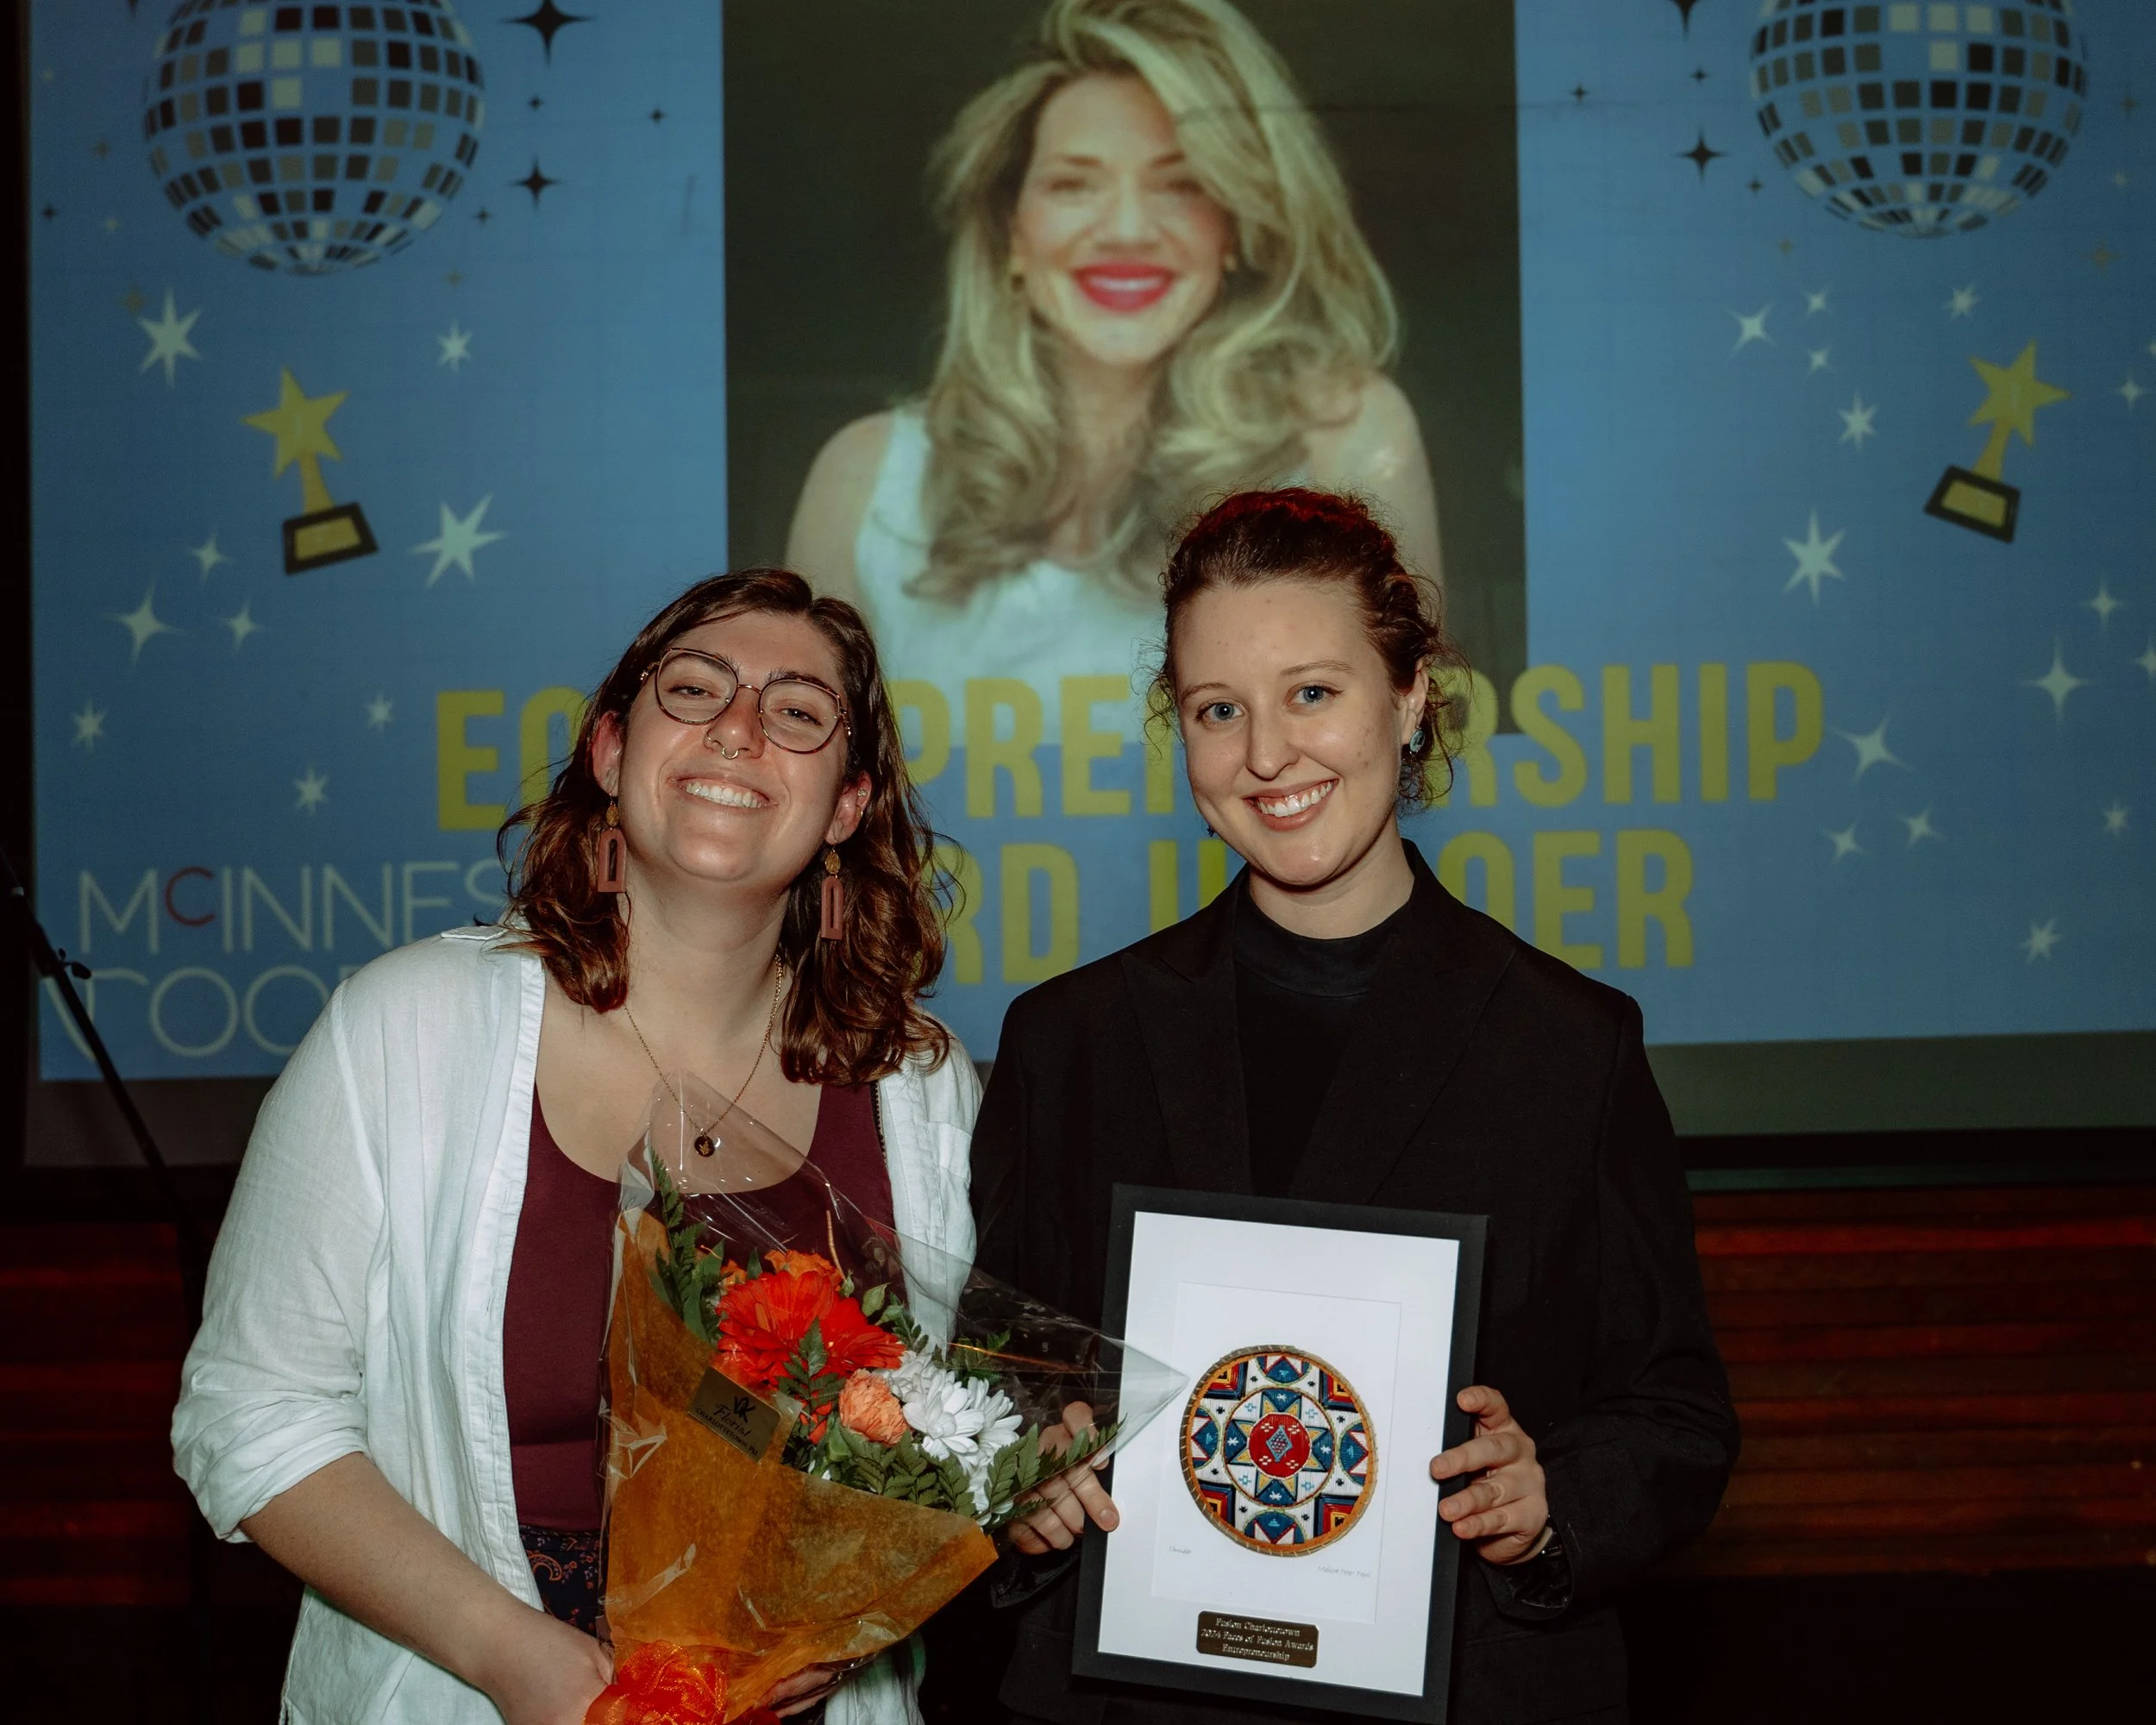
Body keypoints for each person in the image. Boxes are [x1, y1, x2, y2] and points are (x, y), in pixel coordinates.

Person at [970, 490, 1738, 1723]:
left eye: (1313, 693)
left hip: (1471, 1687)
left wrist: (1552, 1500)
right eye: (1219, 710)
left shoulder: (1568, 1044)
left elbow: (1673, 1408)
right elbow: (996, 1367)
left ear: (1414, 693)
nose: (1266, 754)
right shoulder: (1071, 1039)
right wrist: (1028, 1475)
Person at [172, 571, 981, 1725]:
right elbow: (248, 1416)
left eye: (798, 711)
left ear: (847, 804)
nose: (740, 728)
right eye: (694, 689)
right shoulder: (406, 1025)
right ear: (610, 750)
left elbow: (942, 1446)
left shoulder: (918, 1083)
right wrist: (510, 1654)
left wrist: (838, 1635)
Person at [787, 0, 1440, 737]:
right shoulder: (864, 483)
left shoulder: (1343, 437)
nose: (1128, 228)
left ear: (1234, 225)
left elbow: (1415, 751)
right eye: (1074, 183)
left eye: (1180, 182)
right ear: (1013, 231)